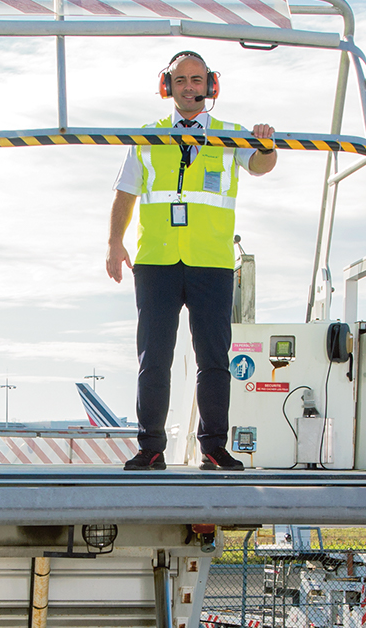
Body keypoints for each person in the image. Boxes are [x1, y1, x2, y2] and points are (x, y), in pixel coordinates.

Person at [106, 51, 277, 472]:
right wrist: (115, 243)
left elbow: (259, 165)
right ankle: (151, 448)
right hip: (156, 263)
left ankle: (214, 448)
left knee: (214, 359)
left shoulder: (231, 134)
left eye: (196, 80)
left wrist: (267, 144)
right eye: (180, 80)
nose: (189, 87)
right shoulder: (146, 136)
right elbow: (125, 193)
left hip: (211, 263)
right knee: (154, 358)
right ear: (168, 86)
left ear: (210, 85)